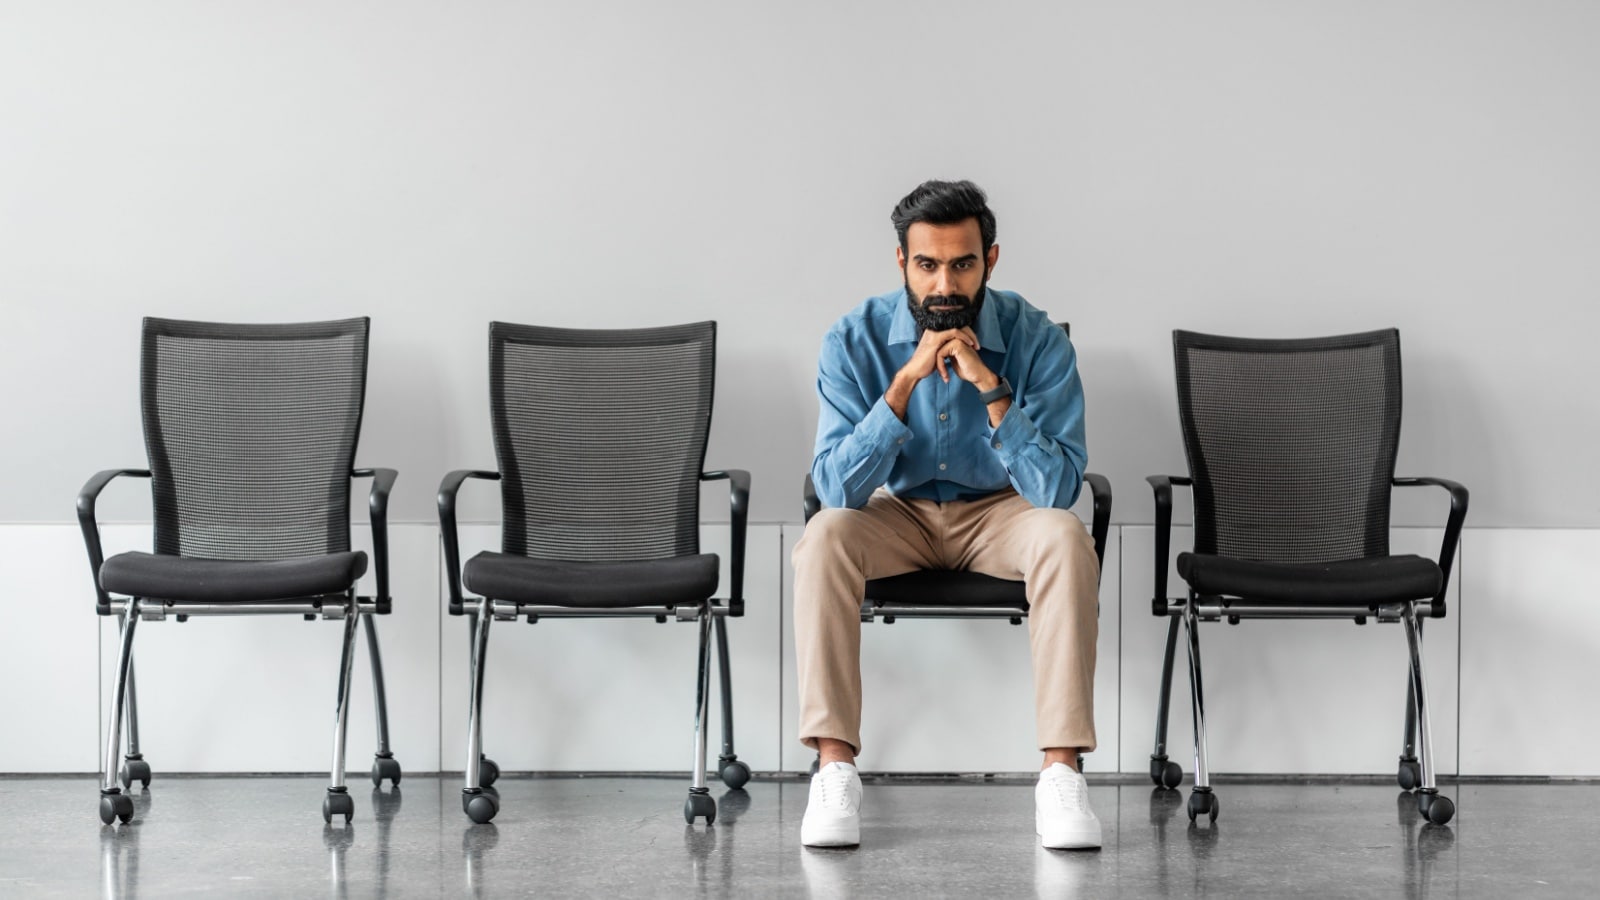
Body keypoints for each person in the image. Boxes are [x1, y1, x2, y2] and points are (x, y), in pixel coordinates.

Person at [793, 179, 1102, 850]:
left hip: (1001, 514)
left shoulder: (1038, 338)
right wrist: (903, 383)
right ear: (900, 262)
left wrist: (991, 389)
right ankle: (835, 768)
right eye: (927, 264)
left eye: (961, 263)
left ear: (990, 259)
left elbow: (1054, 491)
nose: (945, 283)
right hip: (894, 511)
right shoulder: (852, 339)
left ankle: (1062, 774)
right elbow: (836, 488)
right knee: (823, 538)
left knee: (1064, 537)